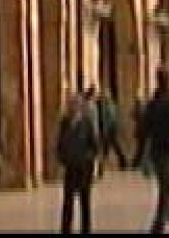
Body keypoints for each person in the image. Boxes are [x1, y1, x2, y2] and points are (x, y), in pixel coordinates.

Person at [132, 67, 169, 234]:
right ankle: (163, 226)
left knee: (166, 187)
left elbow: (143, 129)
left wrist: (140, 151)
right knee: (167, 188)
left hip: (158, 152)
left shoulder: (153, 104)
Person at [57, 90, 100, 234]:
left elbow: (94, 145)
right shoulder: (64, 122)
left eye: (75, 104)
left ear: (80, 106)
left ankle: (86, 229)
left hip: (84, 169)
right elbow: (60, 143)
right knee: (67, 202)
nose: (72, 107)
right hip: (70, 168)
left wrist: (88, 160)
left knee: (84, 202)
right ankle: (65, 229)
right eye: (70, 104)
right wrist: (63, 158)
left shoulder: (86, 123)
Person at [96, 91, 127, 175]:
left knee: (108, 148)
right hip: (110, 129)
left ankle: (101, 167)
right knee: (111, 147)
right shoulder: (109, 105)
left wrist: (107, 129)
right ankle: (122, 162)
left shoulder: (108, 105)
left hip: (109, 130)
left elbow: (111, 118)